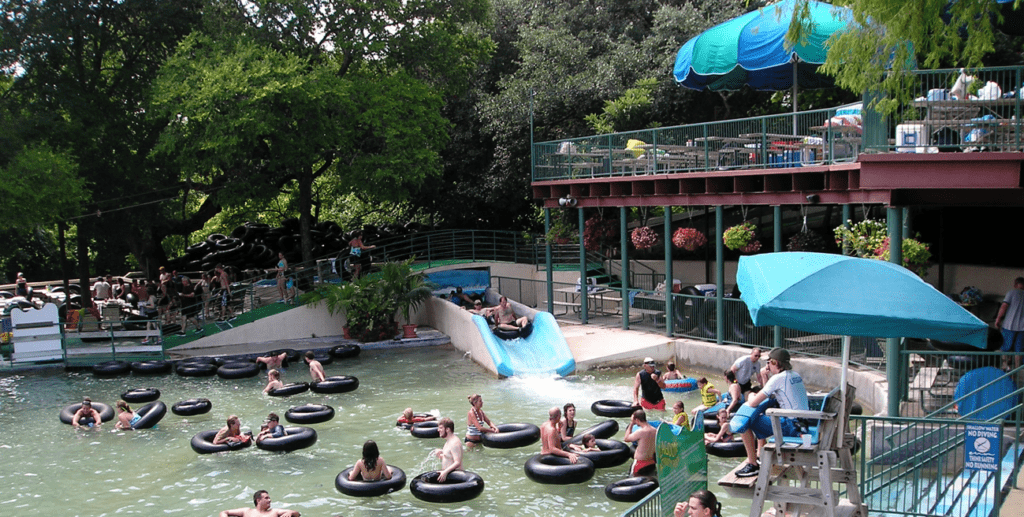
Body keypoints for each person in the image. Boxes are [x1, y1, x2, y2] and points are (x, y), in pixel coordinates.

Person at [735, 348, 809, 478]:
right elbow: (770, 393)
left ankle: (752, 464)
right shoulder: (795, 375)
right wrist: (764, 376)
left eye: (768, 362)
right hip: (803, 424)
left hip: (791, 426)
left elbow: (753, 403)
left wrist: (751, 395)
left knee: (745, 423)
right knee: (763, 417)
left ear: (775, 363)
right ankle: (759, 455)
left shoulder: (778, 379)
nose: (767, 365)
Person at [996, 277, 1024, 371]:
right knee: (1019, 350)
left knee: (1005, 347)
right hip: (1022, 328)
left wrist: (998, 319)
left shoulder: (1011, 293)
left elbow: (1004, 306)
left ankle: (1005, 367)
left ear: (1016, 284)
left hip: (1009, 325)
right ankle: (1017, 369)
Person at [623, 409, 657, 476]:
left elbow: (626, 438)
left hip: (640, 464)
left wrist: (631, 423)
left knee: (633, 483)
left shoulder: (640, 432)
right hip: (652, 463)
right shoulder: (655, 430)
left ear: (637, 420)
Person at [219, 489, 299, 517]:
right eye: (266, 498)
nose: (270, 500)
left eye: (269, 498)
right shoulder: (246, 511)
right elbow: (224, 512)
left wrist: (290, 512)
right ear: (258, 500)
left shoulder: (274, 512)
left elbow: (297, 514)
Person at [432, 417, 464, 482]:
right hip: (449, 476)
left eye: (441, 428)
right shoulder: (448, 441)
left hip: (455, 478)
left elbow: (457, 462)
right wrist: (440, 455)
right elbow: (449, 457)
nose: (438, 430)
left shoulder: (455, 443)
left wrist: (445, 472)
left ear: (447, 429)